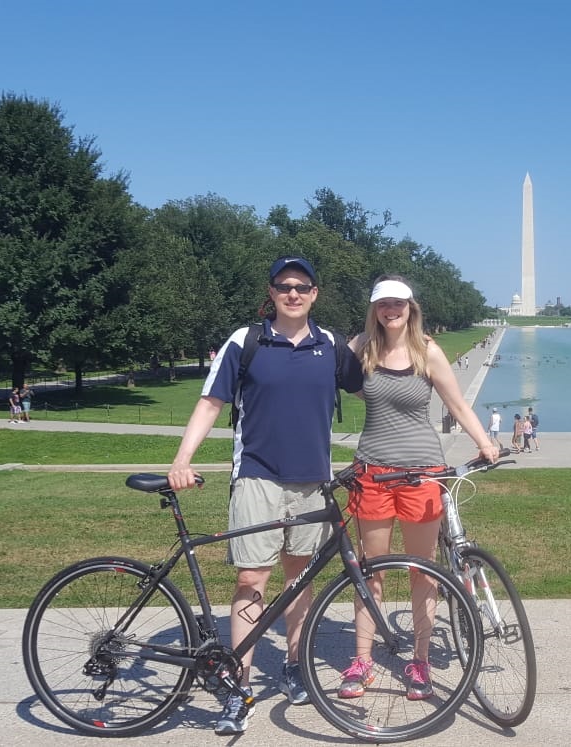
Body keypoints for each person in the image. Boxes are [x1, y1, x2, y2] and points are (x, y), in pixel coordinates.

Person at [166, 256, 363, 735]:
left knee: (300, 577)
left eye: (302, 286)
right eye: (284, 286)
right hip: (258, 475)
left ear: (315, 293)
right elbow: (211, 402)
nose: (293, 294)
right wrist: (182, 458)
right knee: (252, 577)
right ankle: (240, 684)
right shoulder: (247, 341)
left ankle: (296, 664)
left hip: (314, 480)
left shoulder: (331, 345)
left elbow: (374, 389)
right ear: (271, 293)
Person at [342, 274, 499, 702]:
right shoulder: (361, 346)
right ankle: (362, 659)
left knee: (422, 571)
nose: (391, 310)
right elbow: (326, 377)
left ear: (411, 307)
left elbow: (457, 404)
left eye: (398, 303)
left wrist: (485, 443)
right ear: (374, 309)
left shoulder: (426, 350)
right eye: (383, 304)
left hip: (421, 474)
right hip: (372, 472)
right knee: (368, 570)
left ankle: (420, 660)